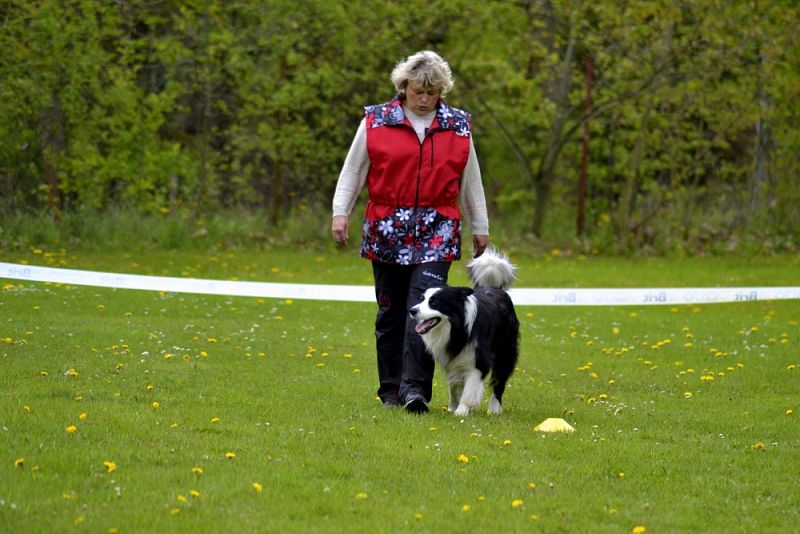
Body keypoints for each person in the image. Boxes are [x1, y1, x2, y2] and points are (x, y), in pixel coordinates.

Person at [331, 50, 490, 413]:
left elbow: (471, 180)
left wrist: (479, 225)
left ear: (441, 93)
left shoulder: (458, 126)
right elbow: (353, 171)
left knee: (424, 308)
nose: (424, 100)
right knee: (390, 312)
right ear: (403, 87)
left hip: (438, 228)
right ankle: (390, 390)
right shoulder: (376, 121)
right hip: (386, 228)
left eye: (432, 94)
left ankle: (414, 390)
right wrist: (341, 212)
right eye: (418, 91)